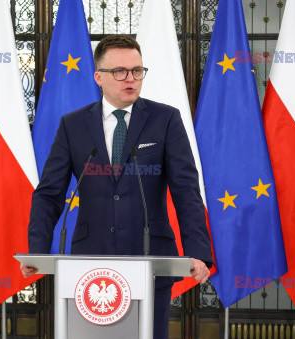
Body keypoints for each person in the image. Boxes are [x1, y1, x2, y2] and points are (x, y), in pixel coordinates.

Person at [21, 35, 213, 338]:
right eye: (120, 71)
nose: (131, 79)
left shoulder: (166, 119)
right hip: (90, 263)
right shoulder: (73, 125)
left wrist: (199, 252)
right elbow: (49, 194)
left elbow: (186, 191)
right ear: (99, 77)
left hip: (151, 257)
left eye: (137, 71)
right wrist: (37, 250)